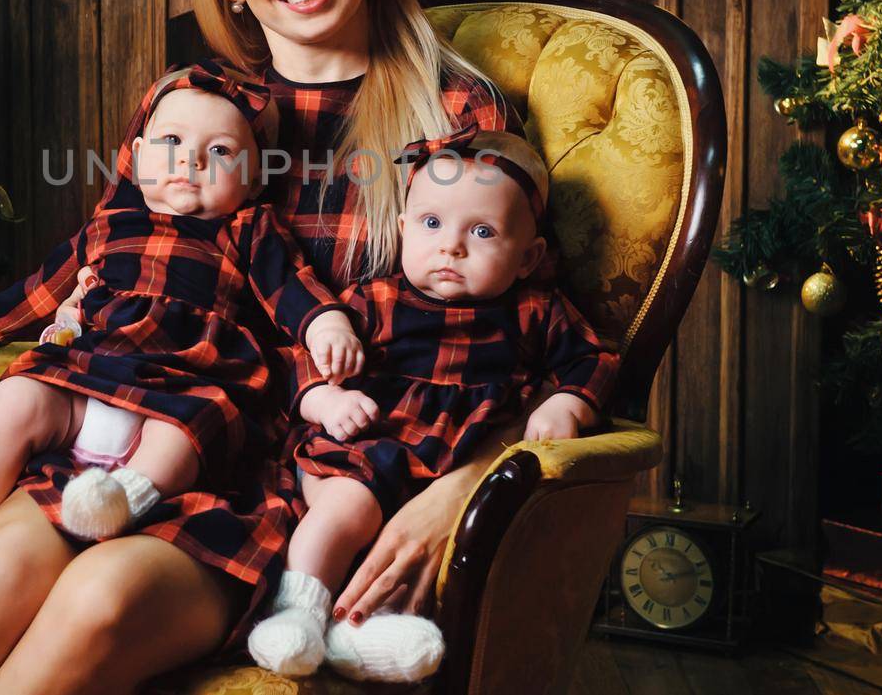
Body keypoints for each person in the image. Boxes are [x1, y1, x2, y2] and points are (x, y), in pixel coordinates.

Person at [0, 0, 529, 695]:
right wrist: (72, 324)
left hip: (302, 491)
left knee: (98, 596)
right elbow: (105, 257)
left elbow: (538, 344)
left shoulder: (455, 118)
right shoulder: (196, 109)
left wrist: (471, 485)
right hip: (145, 431)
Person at [0, 64, 364, 592]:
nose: (192, 159)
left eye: (221, 151)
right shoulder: (108, 225)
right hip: (92, 373)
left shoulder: (248, 229)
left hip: (185, 382)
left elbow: (291, 286)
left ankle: (126, 499)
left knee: (193, 430)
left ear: (252, 180)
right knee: (16, 396)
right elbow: (44, 287)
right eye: (172, 140)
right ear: (137, 155)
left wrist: (326, 324)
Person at [248, 125, 617, 682]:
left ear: (527, 256)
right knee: (348, 512)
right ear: (401, 231)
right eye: (431, 223)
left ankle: (360, 634)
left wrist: (568, 401)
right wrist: (324, 397)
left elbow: (596, 359)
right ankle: (298, 610)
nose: (451, 246)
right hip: (367, 447)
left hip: (450, 466)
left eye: (484, 231)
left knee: (447, 552)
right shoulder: (374, 299)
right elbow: (307, 355)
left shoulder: (536, 311)